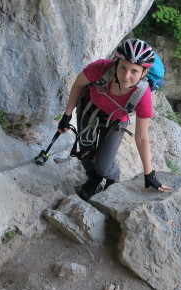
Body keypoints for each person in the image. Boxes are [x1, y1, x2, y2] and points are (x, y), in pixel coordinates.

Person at [58, 38, 170, 201]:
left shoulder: (142, 95)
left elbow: (141, 138)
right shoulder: (101, 68)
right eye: (123, 67)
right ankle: (93, 179)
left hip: (116, 121)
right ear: (116, 62)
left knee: (103, 166)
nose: (126, 76)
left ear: (144, 73)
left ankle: (112, 177)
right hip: (90, 109)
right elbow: (78, 84)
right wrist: (67, 115)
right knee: (85, 151)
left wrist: (149, 174)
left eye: (134, 71)